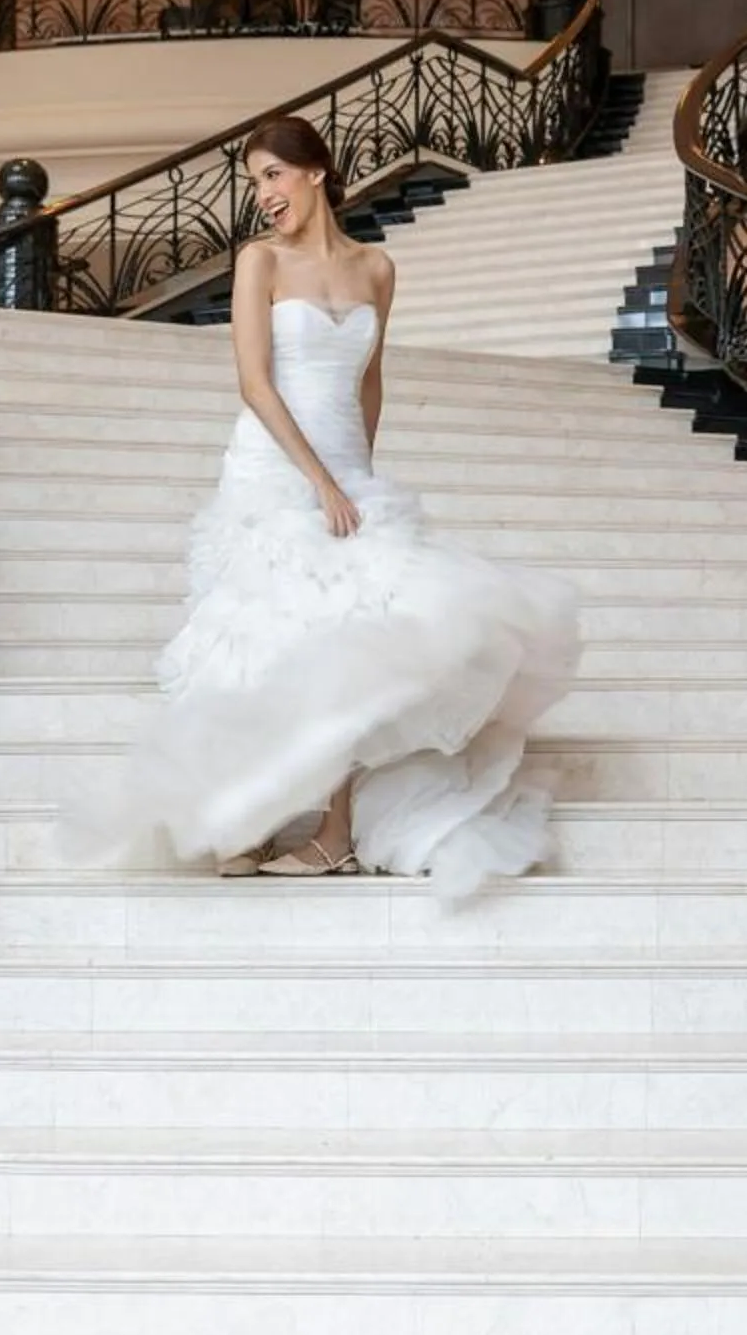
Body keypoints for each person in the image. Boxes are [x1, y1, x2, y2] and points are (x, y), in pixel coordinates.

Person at [66, 116, 580, 893]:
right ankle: (248, 819)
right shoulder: (260, 261)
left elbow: (369, 378)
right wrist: (321, 481)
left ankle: (335, 834)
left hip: (347, 471)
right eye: (255, 182)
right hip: (272, 470)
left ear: (316, 171)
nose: (263, 195)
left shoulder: (377, 269)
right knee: (265, 640)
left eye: (272, 174)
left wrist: (357, 475)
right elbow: (255, 383)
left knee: (350, 644)